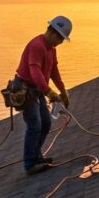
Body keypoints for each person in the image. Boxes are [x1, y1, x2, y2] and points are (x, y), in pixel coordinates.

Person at [14, 16, 72, 175]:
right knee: (34, 125)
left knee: (45, 123)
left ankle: (36, 155)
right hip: (25, 89)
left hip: (37, 90)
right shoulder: (37, 45)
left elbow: (53, 71)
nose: (60, 42)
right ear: (54, 33)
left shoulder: (51, 49)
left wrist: (62, 90)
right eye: (60, 39)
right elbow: (35, 71)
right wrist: (48, 91)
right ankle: (30, 163)